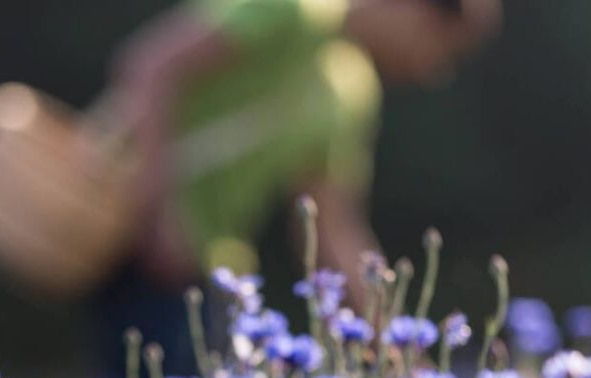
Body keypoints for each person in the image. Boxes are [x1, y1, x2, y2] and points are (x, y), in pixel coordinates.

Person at [107, 0, 502, 301]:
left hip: (197, 267)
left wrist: (395, 342)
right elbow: (151, 66)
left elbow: (332, 231)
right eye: (443, 50)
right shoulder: (293, 10)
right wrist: (160, 213)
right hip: (122, 221)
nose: (430, 71)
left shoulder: (351, 91)